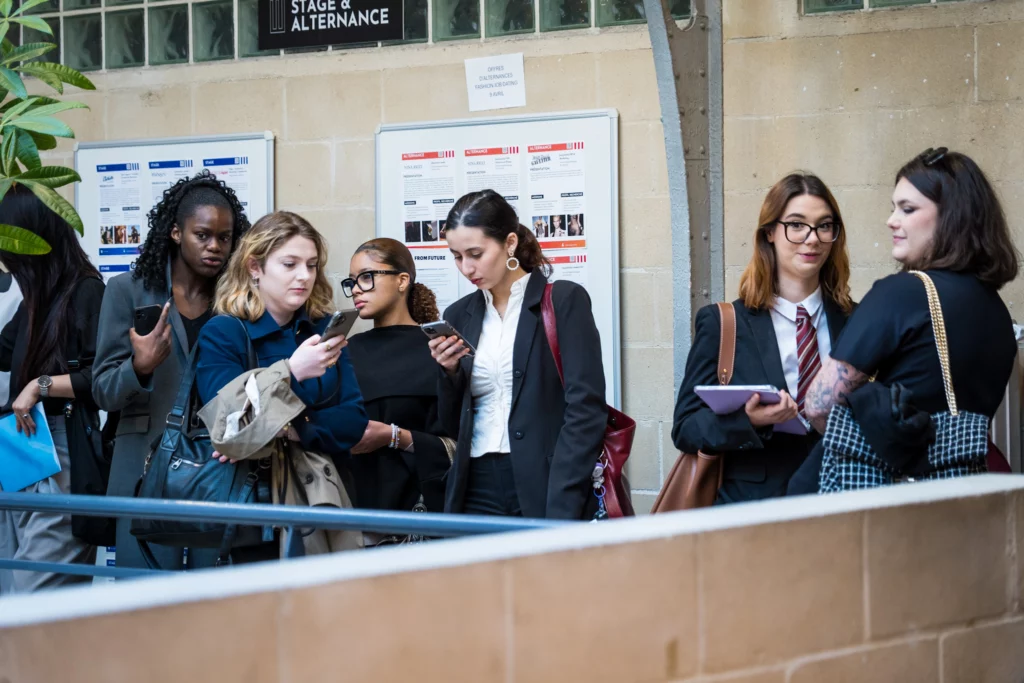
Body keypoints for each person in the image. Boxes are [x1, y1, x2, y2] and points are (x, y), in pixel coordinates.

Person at [805, 149, 1018, 469]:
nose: (891, 221)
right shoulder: (996, 309)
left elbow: (820, 406)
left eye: (908, 209)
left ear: (953, 216)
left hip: (902, 484)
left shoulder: (901, 293)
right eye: (894, 208)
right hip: (975, 475)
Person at [92, 170, 249, 571]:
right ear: (177, 233)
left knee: (214, 597)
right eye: (203, 235)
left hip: (217, 468)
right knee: (145, 598)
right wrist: (139, 367)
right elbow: (103, 391)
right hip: (143, 470)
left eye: (225, 238)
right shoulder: (127, 290)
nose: (215, 247)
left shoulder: (238, 301)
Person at [672, 173, 856, 504]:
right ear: (769, 232)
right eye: (796, 225)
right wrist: (749, 421)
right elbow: (685, 428)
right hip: (753, 509)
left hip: (840, 500)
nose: (812, 239)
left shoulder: (857, 320)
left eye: (824, 226)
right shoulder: (724, 323)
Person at [196, 211, 368, 562]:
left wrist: (289, 430)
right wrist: (291, 371)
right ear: (255, 267)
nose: (304, 276)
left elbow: (353, 421)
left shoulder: (322, 329)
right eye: (289, 264)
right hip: (254, 508)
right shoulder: (224, 332)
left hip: (326, 499)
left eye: (312, 265)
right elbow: (228, 425)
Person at [429, 189, 607, 519]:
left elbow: (586, 408)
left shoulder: (563, 301)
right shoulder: (459, 315)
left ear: (509, 243)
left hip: (548, 482)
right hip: (475, 485)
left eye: (475, 253)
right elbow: (452, 424)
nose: (466, 268)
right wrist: (449, 372)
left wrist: (564, 496)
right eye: (457, 256)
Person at [0, 188, 105, 593]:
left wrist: (39, 385)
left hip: (61, 447)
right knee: (15, 591)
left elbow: (103, 380)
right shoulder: (37, 298)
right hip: (22, 447)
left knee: (35, 593)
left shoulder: (86, 291)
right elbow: (4, 351)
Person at [344, 238, 452, 529]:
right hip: (353, 511)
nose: (356, 289)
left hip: (423, 516)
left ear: (402, 280)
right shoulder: (347, 350)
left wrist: (393, 436)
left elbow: (457, 446)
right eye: (352, 281)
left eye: (367, 277)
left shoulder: (439, 350)